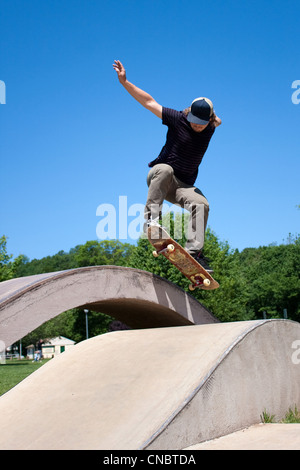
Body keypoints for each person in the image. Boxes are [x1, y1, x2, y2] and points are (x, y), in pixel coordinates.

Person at [112, 60, 222, 272]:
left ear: (209, 120)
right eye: (193, 120)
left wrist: (215, 119)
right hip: (160, 177)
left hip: (183, 186)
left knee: (202, 204)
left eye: (201, 122)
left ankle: (194, 253)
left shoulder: (211, 126)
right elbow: (148, 102)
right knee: (165, 169)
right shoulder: (177, 118)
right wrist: (125, 82)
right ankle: (152, 223)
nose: (196, 125)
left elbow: (218, 120)